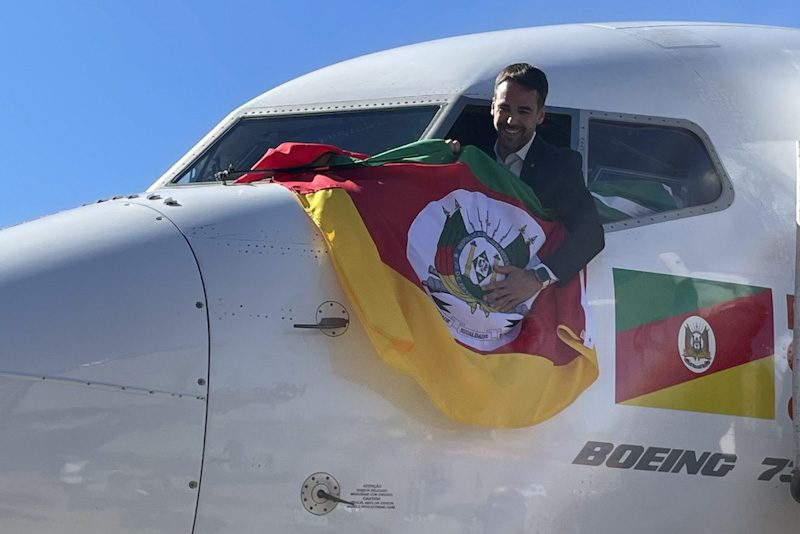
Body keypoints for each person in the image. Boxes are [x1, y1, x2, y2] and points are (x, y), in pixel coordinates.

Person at [449, 63, 604, 312]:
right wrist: (442, 158)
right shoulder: (472, 156)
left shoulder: (560, 165)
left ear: (540, 115)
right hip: (467, 294)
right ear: (492, 107)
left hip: (526, 309)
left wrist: (536, 278)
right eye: (504, 108)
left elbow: (591, 235)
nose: (512, 120)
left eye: (523, 111)